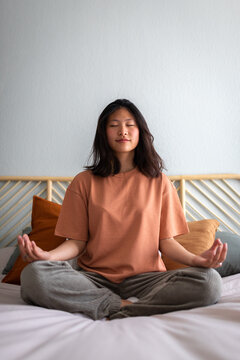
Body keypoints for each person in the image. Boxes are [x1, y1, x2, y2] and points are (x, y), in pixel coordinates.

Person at [18, 99, 227, 321]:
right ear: (103, 133)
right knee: (33, 275)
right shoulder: (83, 182)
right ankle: (117, 304)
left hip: (148, 278)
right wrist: (47, 257)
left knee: (210, 282)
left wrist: (197, 261)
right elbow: (76, 243)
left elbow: (166, 243)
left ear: (140, 131)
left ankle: (122, 308)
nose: (122, 131)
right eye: (114, 125)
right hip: (93, 278)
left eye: (130, 124)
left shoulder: (160, 182)